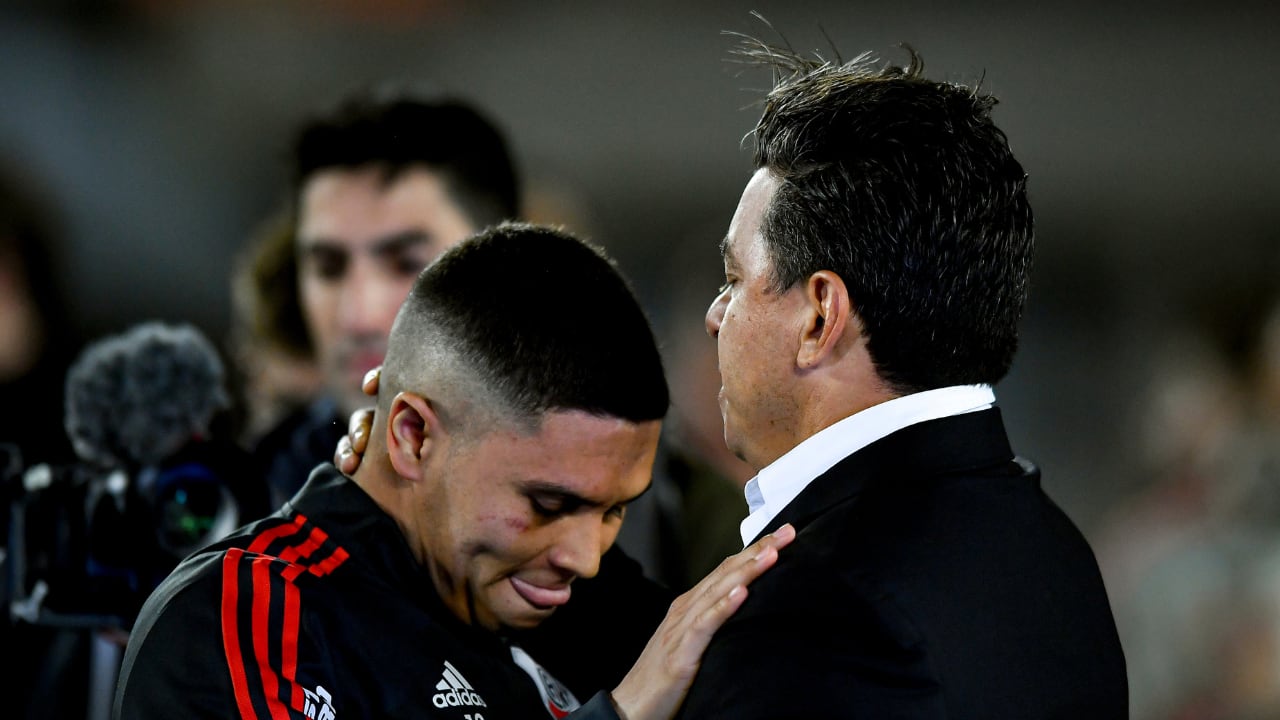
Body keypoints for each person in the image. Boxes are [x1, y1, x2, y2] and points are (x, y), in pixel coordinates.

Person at [329, 33, 1129, 718]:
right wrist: (450, 487)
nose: (716, 316)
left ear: (819, 316)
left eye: (735, 280)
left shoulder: (820, 612)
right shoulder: (1050, 553)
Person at [113, 222, 795, 720]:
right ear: (411, 436)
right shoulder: (248, 618)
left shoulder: (588, 607)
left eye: (614, 510)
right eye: (549, 503)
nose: (585, 557)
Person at [237, 84, 744, 593]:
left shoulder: (703, 534)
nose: (360, 314)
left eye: (407, 262)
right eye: (328, 268)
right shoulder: (224, 511)